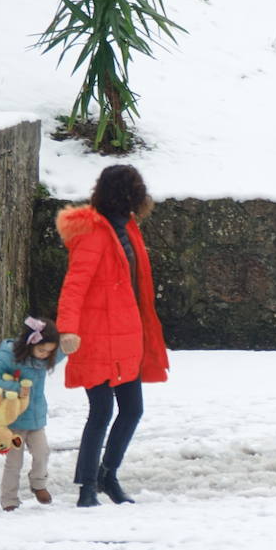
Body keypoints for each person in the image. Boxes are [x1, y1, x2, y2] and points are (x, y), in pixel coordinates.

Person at [55, 164, 169, 507]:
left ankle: (108, 475)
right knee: (102, 411)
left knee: (132, 409)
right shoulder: (93, 232)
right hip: (96, 336)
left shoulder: (126, 227)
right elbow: (74, 286)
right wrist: (68, 329)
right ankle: (87, 488)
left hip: (126, 335)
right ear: (128, 194)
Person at [0, 316, 80, 510]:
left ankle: (38, 484)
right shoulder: (9, 355)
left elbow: (61, 351)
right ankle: (9, 499)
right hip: (14, 421)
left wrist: (71, 342)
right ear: (29, 343)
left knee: (42, 452)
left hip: (35, 419)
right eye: (41, 350)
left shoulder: (46, 357)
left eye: (49, 352)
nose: (44, 355)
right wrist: (15, 387)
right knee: (14, 461)